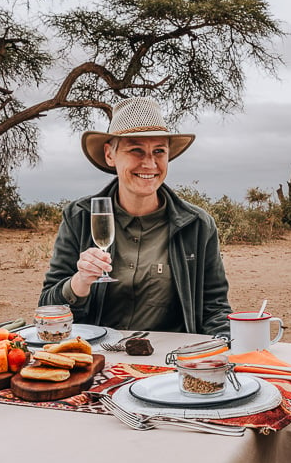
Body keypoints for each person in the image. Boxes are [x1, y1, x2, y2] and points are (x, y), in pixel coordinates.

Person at [39, 96, 232, 335]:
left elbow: (215, 309)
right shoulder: (79, 217)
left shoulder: (198, 225)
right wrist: (80, 282)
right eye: (136, 150)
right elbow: (47, 309)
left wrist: (226, 352)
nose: (149, 164)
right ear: (110, 154)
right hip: (98, 357)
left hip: (171, 361)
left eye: (159, 151)